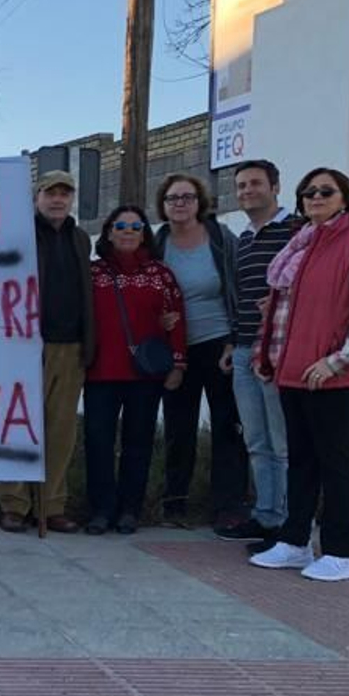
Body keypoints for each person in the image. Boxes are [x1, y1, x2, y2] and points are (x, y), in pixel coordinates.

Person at [251, 168, 349, 582]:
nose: (315, 196)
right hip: (293, 372)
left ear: (345, 199)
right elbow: (284, 310)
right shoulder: (303, 245)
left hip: (330, 374)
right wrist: (268, 356)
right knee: (302, 463)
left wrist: (337, 361)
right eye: (308, 192)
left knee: (336, 464)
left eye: (325, 191)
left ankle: (339, 552)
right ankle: (295, 543)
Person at [0, 171, 94, 534]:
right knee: (18, 426)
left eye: (64, 193)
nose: (57, 200)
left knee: (60, 431)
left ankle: (51, 506)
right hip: (24, 345)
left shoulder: (81, 239)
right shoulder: (20, 234)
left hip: (70, 347)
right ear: (37, 197)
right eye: (50, 193)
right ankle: (14, 505)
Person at [82, 206, 187, 535]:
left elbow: (177, 318)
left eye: (135, 226)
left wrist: (178, 363)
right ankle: (101, 509)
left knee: (138, 443)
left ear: (144, 233)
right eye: (121, 225)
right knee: (97, 442)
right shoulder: (92, 273)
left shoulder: (160, 274)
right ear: (109, 232)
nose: (128, 231)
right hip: (100, 372)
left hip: (145, 374)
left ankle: (130, 509)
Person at [154, 173, 247, 528]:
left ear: (200, 202)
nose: (180, 203)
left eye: (187, 197)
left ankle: (228, 505)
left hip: (219, 342)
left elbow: (241, 287)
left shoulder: (221, 239)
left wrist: (233, 340)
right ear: (163, 205)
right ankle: (174, 502)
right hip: (175, 349)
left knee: (227, 425)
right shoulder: (157, 242)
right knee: (179, 427)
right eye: (172, 198)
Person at [219, 159, 296, 546]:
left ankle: (287, 524)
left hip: (280, 351)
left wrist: (285, 303)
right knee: (257, 440)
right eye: (242, 186)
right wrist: (233, 343)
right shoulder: (245, 238)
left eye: (255, 184)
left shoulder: (297, 231)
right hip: (247, 349)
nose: (247, 191)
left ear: (275, 186)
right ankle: (266, 516)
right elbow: (240, 296)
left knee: (282, 443)